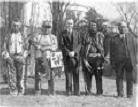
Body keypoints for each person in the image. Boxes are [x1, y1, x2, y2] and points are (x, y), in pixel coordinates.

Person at [30, 20, 58, 95]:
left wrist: (44, 48)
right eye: (45, 27)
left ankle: (51, 90)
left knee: (51, 75)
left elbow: (54, 47)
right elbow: (35, 45)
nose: (46, 29)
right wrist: (45, 47)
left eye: (48, 27)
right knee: (38, 75)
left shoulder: (53, 37)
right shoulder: (38, 37)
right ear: (42, 27)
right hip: (39, 59)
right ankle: (37, 90)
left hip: (50, 59)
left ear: (51, 28)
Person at [2, 20, 28, 96]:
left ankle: (21, 90)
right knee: (12, 75)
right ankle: (13, 90)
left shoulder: (23, 36)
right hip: (11, 57)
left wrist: (24, 57)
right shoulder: (8, 36)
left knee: (21, 75)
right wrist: (7, 57)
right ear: (12, 26)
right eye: (14, 25)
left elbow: (26, 48)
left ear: (20, 26)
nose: (16, 27)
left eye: (17, 26)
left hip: (20, 57)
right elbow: (4, 48)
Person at [110, 22, 134, 98]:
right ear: (118, 28)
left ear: (126, 28)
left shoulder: (131, 37)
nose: (123, 28)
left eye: (124, 27)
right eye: (121, 27)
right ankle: (120, 93)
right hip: (119, 61)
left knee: (129, 78)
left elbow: (134, 49)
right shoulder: (114, 39)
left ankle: (129, 94)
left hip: (129, 61)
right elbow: (112, 52)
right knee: (119, 77)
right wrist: (112, 63)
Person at [81, 21, 104, 95]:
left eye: (94, 25)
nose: (93, 27)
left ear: (96, 27)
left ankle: (99, 92)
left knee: (98, 76)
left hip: (98, 58)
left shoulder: (100, 35)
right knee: (88, 76)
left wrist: (101, 55)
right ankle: (88, 91)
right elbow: (82, 48)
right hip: (88, 58)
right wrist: (84, 59)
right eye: (91, 25)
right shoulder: (85, 35)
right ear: (89, 27)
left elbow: (104, 47)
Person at [61, 19, 81, 96]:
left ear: (73, 25)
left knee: (76, 74)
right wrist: (68, 52)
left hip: (76, 57)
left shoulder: (77, 33)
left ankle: (76, 91)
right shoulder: (63, 34)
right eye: (68, 23)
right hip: (67, 57)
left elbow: (80, 44)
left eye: (71, 24)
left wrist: (74, 52)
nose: (69, 25)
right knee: (68, 75)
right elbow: (62, 45)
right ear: (66, 24)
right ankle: (68, 91)